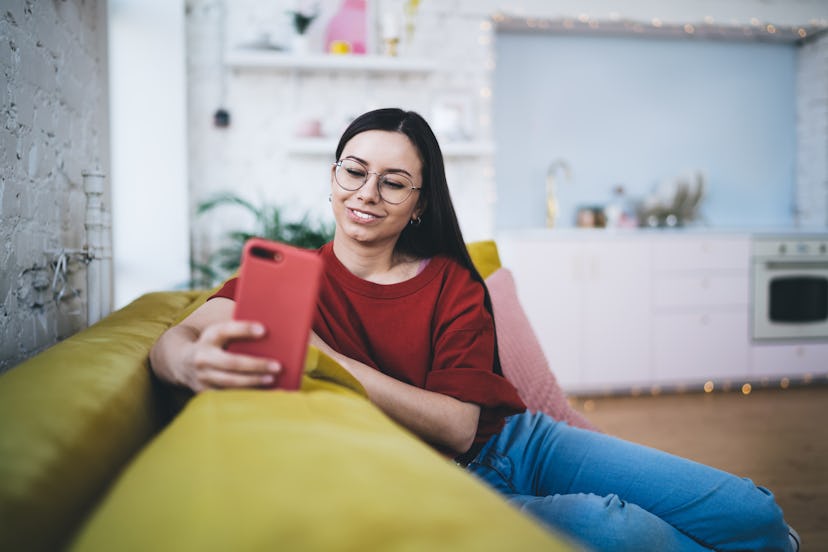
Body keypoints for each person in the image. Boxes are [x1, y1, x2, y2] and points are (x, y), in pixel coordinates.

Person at [150, 108, 798, 551]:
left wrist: (327, 359)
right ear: (332, 176)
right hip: (439, 482)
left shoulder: (451, 280)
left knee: (756, 512)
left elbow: (462, 425)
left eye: (393, 182)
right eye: (354, 170)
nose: (366, 192)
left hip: (524, 442)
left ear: (419, 204)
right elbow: (172, 340)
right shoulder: (295, 282)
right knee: (621, 532)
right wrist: (186, 365)